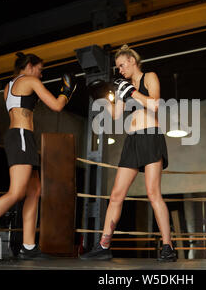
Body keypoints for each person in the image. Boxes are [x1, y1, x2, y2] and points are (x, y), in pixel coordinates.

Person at [0, 52, 76, 259]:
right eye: (40, 69)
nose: (41, 73)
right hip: (21, 136)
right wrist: (67, 91)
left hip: (18, 137)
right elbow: (57, 105)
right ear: (29, 65)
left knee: (34, 190)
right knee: (16, 192)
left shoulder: (8, 86)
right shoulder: (30, 80)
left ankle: (28, 247)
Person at [80, 44, 176, 262]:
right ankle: (103, 246)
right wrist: (102, 96)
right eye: (118, 67)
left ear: (132, 61)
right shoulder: (124, 86)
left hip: (151, 136)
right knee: (116, 195)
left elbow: (155, 105)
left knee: (153, 193)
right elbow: (115, 115)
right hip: (132, 141)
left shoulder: (149, 77)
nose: (120, 70)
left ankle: (168, 247)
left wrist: (130, 91)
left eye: (122, 65)